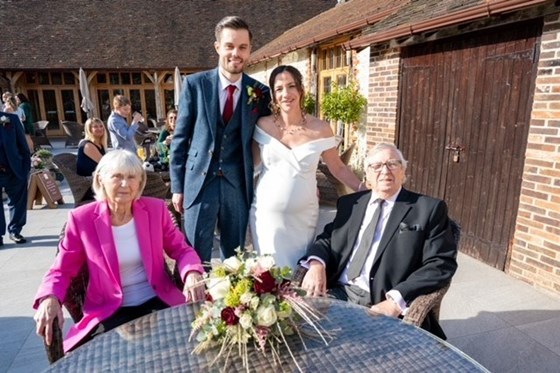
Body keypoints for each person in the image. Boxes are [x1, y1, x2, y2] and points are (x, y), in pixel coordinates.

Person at [33, 150, 205, 352]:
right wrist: (49, 297)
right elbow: (61, 270)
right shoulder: (82, 219)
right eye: (117, 176)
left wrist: (193, 272)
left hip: (157, 299)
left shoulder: (156, 210)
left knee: (193, 346)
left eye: (132, 177)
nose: (125, 184)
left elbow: (182, 249)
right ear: (101, 179)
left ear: (140, 182)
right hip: (109, 309)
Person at [300, 143, 458, 339]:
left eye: (392, 164)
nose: (385, 171)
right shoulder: (351, 204)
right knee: (296, 333)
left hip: (383, 300)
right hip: (339, 294)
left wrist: (395, 301)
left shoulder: (428, 209)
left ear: (403, 172)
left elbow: (440, 263)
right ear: (367, 175)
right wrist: (316, 265)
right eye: (376, 166)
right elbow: (328, 238)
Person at [170, 16, 271, 264]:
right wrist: (177, 186)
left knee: (234, 259)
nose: (235, 53)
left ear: (249, 50)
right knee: (194, 255)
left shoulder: (260, 92)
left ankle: (230, 303)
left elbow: (271, 136)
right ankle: (195, 301)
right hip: (198, 183)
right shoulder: (195, 85)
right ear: (218, 47)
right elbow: (180, 139)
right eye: (229, 46)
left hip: (237, 183)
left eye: (242, 47)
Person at [249, 65, 364, 269]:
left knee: (299, 276)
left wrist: (364, 190)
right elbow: (250, 167)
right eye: (279, 89)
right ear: (274, 95)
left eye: (291, 86)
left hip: (303, 217)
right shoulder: (262, 125)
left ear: (301, 89)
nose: (286, 93)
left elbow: (338, 168)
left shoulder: (320, 129)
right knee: (267, 278)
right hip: (266, 217)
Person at [0, 111, 31, 245]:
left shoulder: (10, 119)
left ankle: (15, 230)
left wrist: (25, 167)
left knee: (18, 201)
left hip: (13, 169)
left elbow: (22, 144)